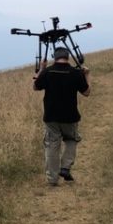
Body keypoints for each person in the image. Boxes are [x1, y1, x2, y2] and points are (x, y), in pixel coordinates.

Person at [33, 46, 90, 186]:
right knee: (71, 139)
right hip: (70, 116)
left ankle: (52, 179)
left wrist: (41, 68)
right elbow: (87, 92)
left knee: (52, 145)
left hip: (51, 116)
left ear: (55, 57)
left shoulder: (47, 72)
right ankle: (65, 168)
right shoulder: (75, 73)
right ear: (68, 57)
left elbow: (35, 86)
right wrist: (87, 75)